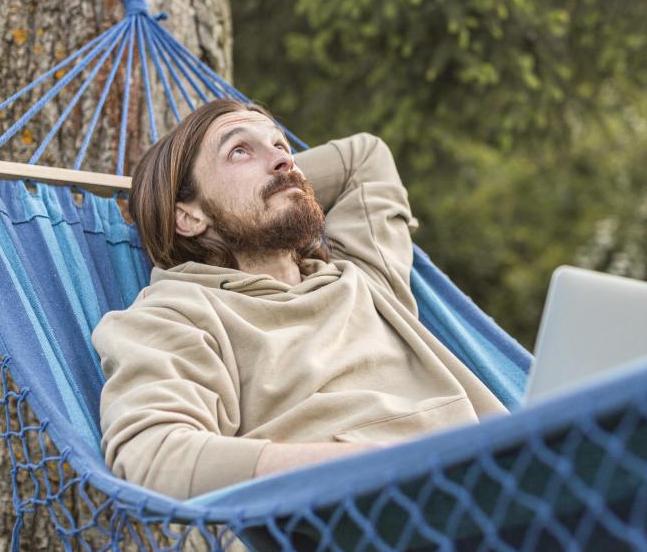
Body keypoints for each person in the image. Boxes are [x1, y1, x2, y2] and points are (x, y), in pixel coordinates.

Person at [92, 99, 507, 500]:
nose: (284, 161)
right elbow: (153, 453)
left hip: (510, 478)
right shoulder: (176, 316)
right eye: (239, 151)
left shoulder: (365, 279)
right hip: (382, 513)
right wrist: (357, 464)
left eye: (281, 147)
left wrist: (279, 180)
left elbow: (364, 157)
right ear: (188, 216)